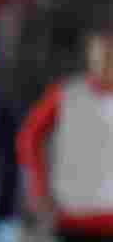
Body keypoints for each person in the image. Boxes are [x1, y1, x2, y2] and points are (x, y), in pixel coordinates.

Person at [17, 22, 113, 242]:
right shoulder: (65, 94)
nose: (105, 62)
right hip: (72, 214)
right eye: (101, 54)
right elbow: (29, 138)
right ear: (91, 55)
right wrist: (39, 186)